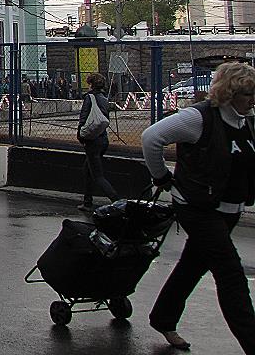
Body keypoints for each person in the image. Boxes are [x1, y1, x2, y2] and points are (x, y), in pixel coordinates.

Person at [142, 62, 255, 353]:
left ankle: (163, 318)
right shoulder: (199, 118)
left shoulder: (247, 121)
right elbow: (151, 138)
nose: (252, 99)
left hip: (229, 209)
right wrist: (162, 177)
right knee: (230, 273)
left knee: (193, 265)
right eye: (247, 94)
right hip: (197, 207)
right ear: (230, 93)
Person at [76, 72, 119, 214]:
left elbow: (84, 117)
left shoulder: (90, 98)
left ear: (90, 84)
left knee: (98, 176)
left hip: (92, 141)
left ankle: (118, 202)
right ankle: (87, 202)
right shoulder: (104, 99)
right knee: (87, 170)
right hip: (103, 139)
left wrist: (81, 135)